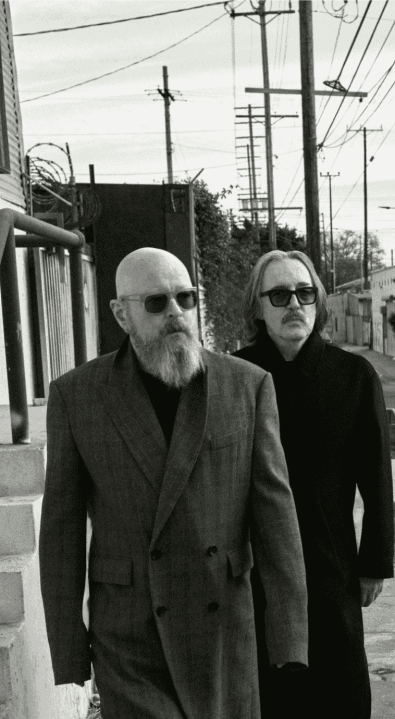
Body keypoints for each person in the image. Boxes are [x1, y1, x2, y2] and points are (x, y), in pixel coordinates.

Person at [39, 248, 308, 719]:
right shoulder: (77, 396)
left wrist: (288, 637)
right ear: (121, 314)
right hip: (129, 635)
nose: (176, 313)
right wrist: (68, 649)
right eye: (157, 303)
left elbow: (276, 516)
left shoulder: (247, 385)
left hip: (222, 630)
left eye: (185, 298)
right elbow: (61, 530)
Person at [234, 250, 394, 719]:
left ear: (318, 302)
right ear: (257, 307)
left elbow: (377, 477)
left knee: (339, 695)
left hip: (330, 565)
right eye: (279, 295)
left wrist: (374, 562)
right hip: (254, 571)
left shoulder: (354, 376)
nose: (294, 304)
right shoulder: (234, 378)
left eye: (305, 293)